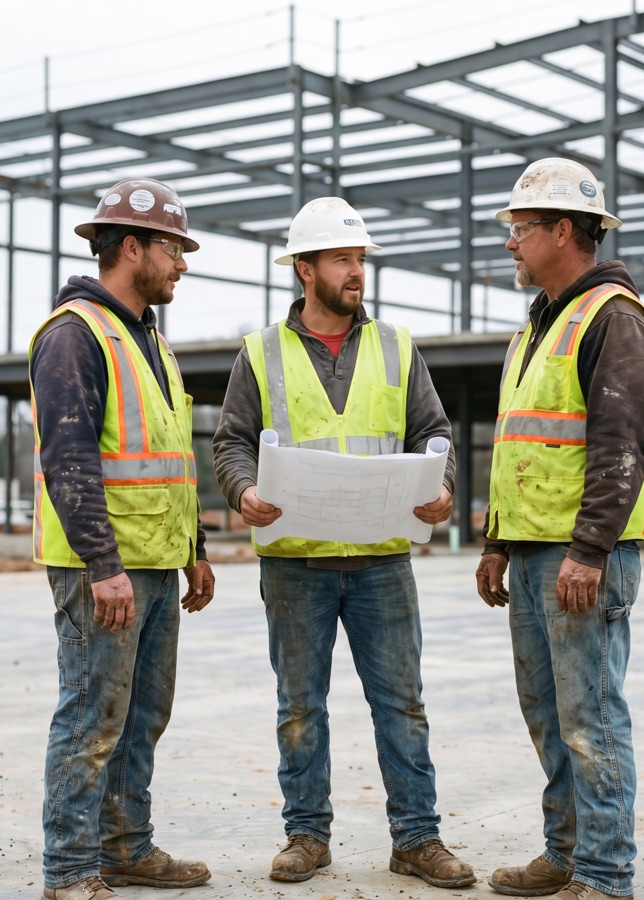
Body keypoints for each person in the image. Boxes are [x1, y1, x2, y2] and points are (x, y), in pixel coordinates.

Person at [211, 197, 475, 890]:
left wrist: (443, 482)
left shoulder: (396, 345)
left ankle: (416, 838)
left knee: (403, 704)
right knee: (300, 707)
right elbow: (231, 442)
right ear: (305, 270)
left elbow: (435, 431)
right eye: (342, 260)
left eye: (360, 259)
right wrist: (243, 494)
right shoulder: (260, 354)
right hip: (295, 564)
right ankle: (307, 836)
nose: (357, 272)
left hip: (383, 561)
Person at [475, 158, 644, 900]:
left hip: (583, 559)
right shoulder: (539, 324)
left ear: (563, 230)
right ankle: (566, 851)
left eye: (521, 230)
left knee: (592, 713)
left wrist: (589, 551)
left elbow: (623, 445)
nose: (511, 244)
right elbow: (522, 443)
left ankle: (606, 872)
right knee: (550, 712)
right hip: (533, 553)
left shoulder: (613, 317)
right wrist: (496, 540)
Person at [30, 177, 215, 900]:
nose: (182, 264)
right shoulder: (77, 334)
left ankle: (125, 847)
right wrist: (104, 566)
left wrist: (192, 550)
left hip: (156, 564)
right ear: (130, 247)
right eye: (173, 248)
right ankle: (71, 870)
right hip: (102, 569)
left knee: (141, 714)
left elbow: (167, 454)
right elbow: (68, 457)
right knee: (91, 714)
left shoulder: (146, 339)